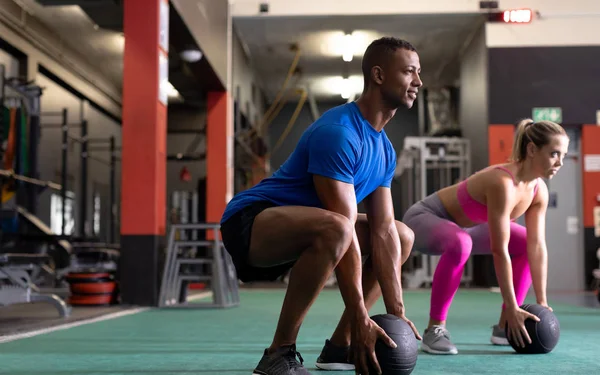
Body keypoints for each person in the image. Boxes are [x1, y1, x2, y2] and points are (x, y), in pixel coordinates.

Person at [220, 37, 423, 375]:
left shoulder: (384, 149)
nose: (418, 82)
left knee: (402, 234)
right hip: (251, 222)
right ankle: (278, 353)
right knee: (338, 228)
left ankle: (340, 347)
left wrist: (397, 312)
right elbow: (342, 229)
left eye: (419, 73)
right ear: (378, 75)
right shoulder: (339, 132)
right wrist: (361, 315)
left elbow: (384, 230)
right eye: (409, 72)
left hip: (311, 226)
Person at [402, 119, 569, 355]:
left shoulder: (538, 189)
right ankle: (435, 329)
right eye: (554, 154)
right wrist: (513, 304)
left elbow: (537, 246)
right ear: (532, 150)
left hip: (466, 229)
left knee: (522, 241)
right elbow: (499, 249)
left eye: (563, 155)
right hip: (423, 219)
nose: (560, 162)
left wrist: (542, 301)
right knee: (461, 242)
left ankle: (505, 326)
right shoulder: (502, 183)